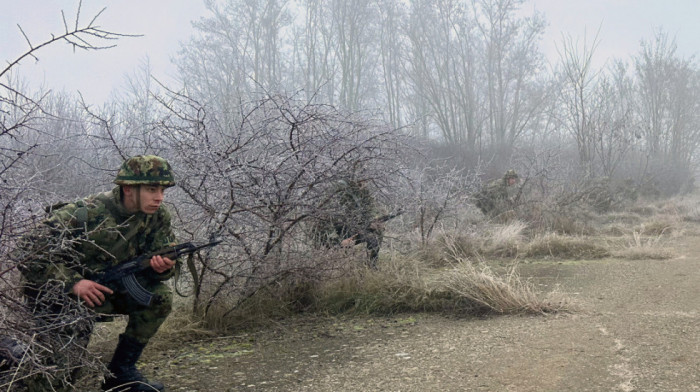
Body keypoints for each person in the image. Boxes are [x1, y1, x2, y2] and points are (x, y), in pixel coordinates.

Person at [17, 155, 177, 392]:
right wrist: (73, 283)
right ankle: (13, 355)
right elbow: (27, 250)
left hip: (105, 289)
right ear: (128, 189)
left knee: (159, 297)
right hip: (59, 297)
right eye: (152, 189)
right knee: (54, 382)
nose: (159, 197)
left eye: (162, 190)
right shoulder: (85, 213)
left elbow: (165, 257)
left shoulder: (157, 216)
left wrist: (164, 268)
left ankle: (121, 374)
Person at [312, 179, 385, 268]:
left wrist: (373, 222)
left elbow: (370, 209)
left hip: (349, 229)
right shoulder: (338, 191)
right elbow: (321, 228)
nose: (364, 184)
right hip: (331, 236)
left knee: (376, 234)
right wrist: (339, 242)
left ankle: (371, 265)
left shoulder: (362, 191)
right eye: (361, 180)